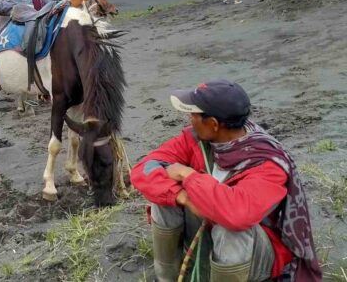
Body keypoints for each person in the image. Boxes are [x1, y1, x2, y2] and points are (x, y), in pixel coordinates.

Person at [131, 80, 322, 282]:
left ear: (213, 124)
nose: (190, 119)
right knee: (164, 198)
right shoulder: (196, 139)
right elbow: (145, 168)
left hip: (252, 254)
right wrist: (182, 196)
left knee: (231, 229)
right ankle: (168, 278)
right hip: (207, 230)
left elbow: (237, 214)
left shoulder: (267, 164)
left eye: (194, 115)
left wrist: (188, 175)